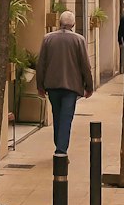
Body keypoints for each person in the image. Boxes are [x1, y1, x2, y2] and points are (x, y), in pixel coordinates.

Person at [36, 11, 94, 155]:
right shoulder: (79, 40)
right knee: (66, 117)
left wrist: (40, 86)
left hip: (52, 85)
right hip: (71, 86)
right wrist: (89, 86)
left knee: (57, 116)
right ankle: (61, 150)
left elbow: (41, 64)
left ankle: (59, 144)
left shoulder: (48, 39)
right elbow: (85, 65)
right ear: (73, 24)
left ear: (59, 22)